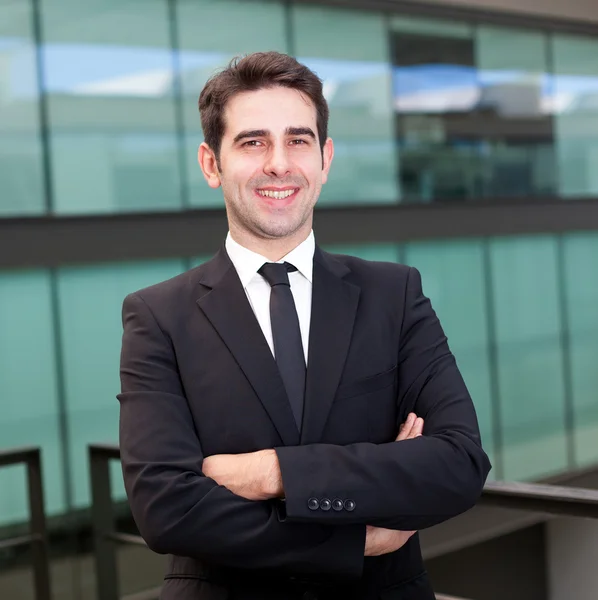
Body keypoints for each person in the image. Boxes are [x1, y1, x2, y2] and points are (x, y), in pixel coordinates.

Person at [118, 51, 491, 600]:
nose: (279, 163)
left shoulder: (395, 294)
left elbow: (458, 463)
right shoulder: (158, 316)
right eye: (252, 142)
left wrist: (273, 473)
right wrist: (354, 535)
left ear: (325, 158)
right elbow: (167, 509)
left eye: (298, 140)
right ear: (211, 164)